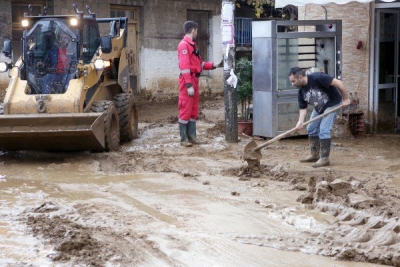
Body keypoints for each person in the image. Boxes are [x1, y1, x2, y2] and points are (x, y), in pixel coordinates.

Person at [288, 67, 350, 167]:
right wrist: (300, 121)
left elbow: (339, 83)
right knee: (311, 128)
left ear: (300, 77)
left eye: (293, 81)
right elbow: (303, 108)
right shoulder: (301, 91)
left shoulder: (318, 77)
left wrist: (346, 99)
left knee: (324, 129)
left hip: (332, 103)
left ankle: (325, 159)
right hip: (320, 107)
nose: (292, 84)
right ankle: (315, 155)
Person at [177, 21, 222, 147]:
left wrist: (214, 65)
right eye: (196, 30)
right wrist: (188, 85)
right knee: (185, 108)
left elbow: (200, 64)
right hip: (188, 81)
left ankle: (192, 136)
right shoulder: (184, 45)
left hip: (195, 80)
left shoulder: (193, 46)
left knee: (193, 110)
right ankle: (184, 138)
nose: (196, 33)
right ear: (193, 30)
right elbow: (185, 67)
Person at [37, 30, 73, 94]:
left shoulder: (73, 51)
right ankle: (46, 98)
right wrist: (43, 63)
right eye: (61, 38)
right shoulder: (53, 51)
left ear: (69, 40)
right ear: (58, 40)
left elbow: (75, 63)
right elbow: (46, 60)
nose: (63, 40)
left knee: (68, 84)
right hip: (57, 74)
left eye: (65, 38)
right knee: (46, 79)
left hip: (69, 74)